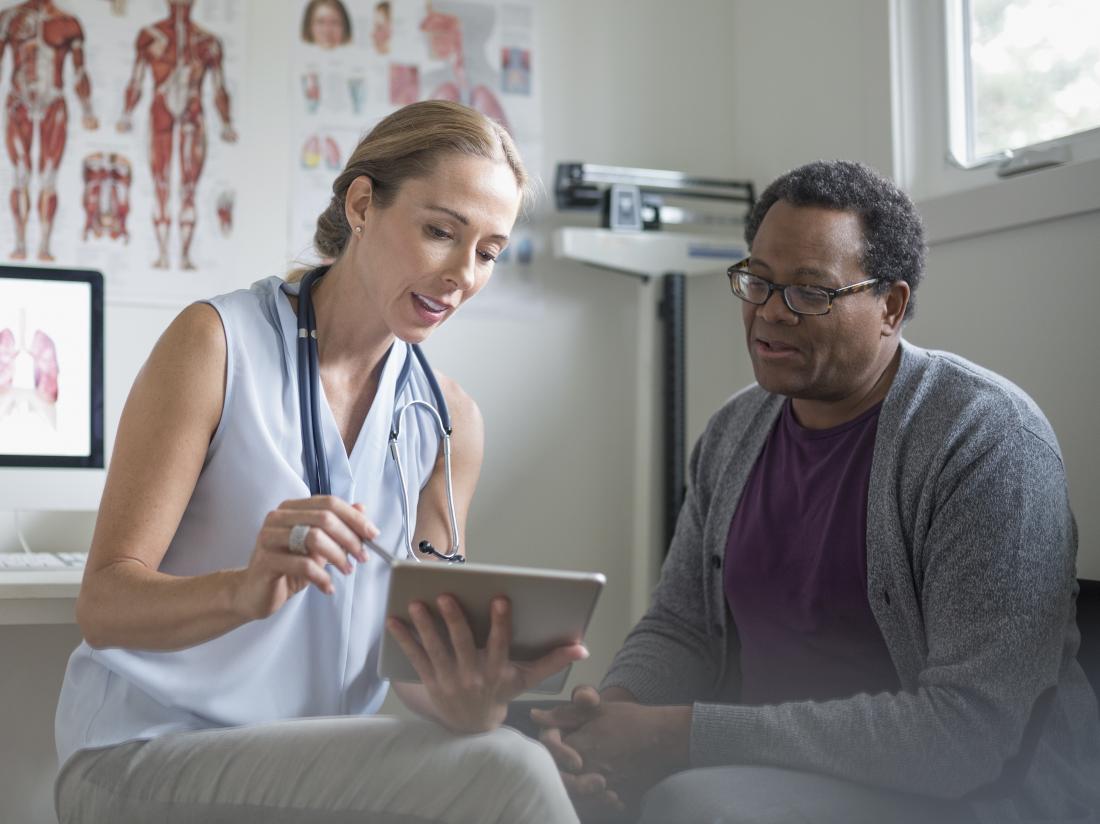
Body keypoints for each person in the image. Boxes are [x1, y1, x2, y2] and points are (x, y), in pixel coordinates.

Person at [54, 100, 584, 824]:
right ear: (362, 203)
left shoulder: (449, 421)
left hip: (322, 763)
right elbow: (103, 607)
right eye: (439, 232)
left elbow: (413, 666)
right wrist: (242, 590)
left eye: (489, 252)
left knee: (509, 760)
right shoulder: (217, 344)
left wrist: (474, 700)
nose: (463, 274)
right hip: (143, 752)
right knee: (509, 780)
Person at [532, 160, 1100, 824]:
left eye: (810, 292)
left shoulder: (986, 439)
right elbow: (681, 624)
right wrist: (614, 719)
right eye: (758, 281)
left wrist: (676, 736)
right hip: (772, 768)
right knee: (544, 782)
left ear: (890, 305)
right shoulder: (734, 431)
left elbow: (971, 733)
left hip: (982, 794)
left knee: (693, 804)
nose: (770, 312)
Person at [117, 0, 238, 271]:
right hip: (161, 114)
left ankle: (182, 256)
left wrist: (226, 123)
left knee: (188, 190)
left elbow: (219, 87)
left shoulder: (208, 42)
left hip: (192, 118)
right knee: (161, 184)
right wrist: (126, 114)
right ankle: (162, 254)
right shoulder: (150, 36)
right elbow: (136, 80)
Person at [0, 0, 99, 262]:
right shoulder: (9, 18)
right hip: (18, 103)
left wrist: (87, 110)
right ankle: (20, 245)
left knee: (49, 177)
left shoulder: (67, 23)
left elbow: (79, 71)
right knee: (20, 172)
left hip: (53, 103)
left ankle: (43, 245)